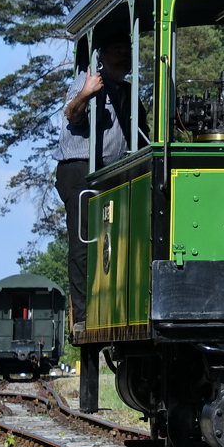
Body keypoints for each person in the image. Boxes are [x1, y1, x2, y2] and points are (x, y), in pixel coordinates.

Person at [53, 36, 135, 334]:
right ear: (102, 52)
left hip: (111, 172)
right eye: (117, 48)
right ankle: (83, 315)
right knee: (83, 242)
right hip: (80, 170)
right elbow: (72, 114)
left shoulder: (126, 91)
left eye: (128, 49)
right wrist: (85, 95)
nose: (123, 54)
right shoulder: (87, 81)